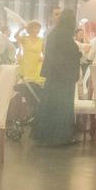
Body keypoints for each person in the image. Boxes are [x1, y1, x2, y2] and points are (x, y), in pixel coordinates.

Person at [32, 10, 82, 147]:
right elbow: (68, 56)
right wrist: (78, 54)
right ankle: (61, 137)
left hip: (54, 76)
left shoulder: (55, 33)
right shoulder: (65, 36)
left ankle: (45, 135)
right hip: (64, 77)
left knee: (50, 105)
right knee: (62, 107)